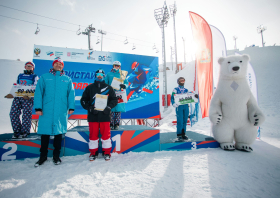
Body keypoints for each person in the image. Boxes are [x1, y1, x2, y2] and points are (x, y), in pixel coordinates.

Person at [33, 59, 75, 167]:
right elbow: (38, 92)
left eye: (60, 64)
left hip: (61, 110)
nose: (58, 65)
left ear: (62, 66)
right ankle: (43, 157)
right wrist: (38, 107)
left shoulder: (67, 79)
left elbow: (71, 94)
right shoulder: (45, 77)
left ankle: (56, 157)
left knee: (58, 133)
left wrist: (71, 107)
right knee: (45, 133)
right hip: (46, 110)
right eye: (56, 63)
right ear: (53, 65)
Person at [80, 69, 117, 161]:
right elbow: (83, 100)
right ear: (95, 76)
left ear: (104, 76)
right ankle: (93, 153)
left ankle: (107, 152)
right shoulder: (90, 88)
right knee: (93, 135)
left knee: (106, 135)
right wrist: (90, 108)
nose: (99, 76)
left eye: (101, 74)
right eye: (98, 74)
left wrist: (108, 107)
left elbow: (114, 100)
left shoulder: (109, 88)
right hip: (93, 115)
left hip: (105, 115)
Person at [5, 61, 39, 139]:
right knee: (13, 113)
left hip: (27, 97)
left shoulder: (35, 76)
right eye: (27, 66)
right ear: (25, 67)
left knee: (26, 115)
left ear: (33, 68)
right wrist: (12, 94)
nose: (29, 67)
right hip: (18, 96)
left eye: (30, 66)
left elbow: (36, 87)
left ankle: (25, 131)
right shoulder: (20, 75)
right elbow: (17, 86)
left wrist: (30, 96)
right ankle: (17, 131)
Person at [171, 77, 198, 141]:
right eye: (181, 80)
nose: (182, 82)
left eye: (183, 80)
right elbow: (172, 97)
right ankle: (179, 134)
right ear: (178, 82)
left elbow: (190, 97)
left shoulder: (186, 90)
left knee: (185, 120)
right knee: (180, 120)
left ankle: (183, 134)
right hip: (179, 106)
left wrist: (195, 97)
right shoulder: (175, 89)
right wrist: (173, 103)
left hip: (186, 106)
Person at [104, 61, 128, 130]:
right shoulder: (109, 74)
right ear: (113, 66)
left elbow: (126, 83)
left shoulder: (122, 74)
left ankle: (117, 124)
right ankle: (111, 123)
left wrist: (124, 85)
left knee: (118, 109)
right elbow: (105, 83)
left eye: (118, 66)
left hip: (119, 93)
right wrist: (108, 88)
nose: (116, 67)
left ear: (119, 67)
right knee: (111, 109)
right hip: (111, 93)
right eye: (115, 65)